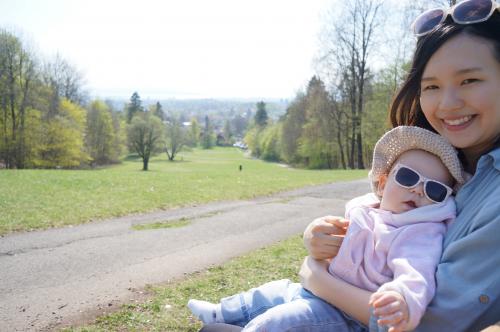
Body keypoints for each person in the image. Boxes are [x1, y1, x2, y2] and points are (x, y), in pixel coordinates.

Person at [300, 1, 500, 331]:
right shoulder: (442, 161)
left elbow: (436, 320)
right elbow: (384, 227)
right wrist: (323, 238)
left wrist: (317, 279)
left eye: (469, 81)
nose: (447, 104)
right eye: (432, 86)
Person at [190, 126, 465, 332]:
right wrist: (315, 231)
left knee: (278, 323)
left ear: (442, 202)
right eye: (408, 177)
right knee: (272, 291)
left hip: (343, 316)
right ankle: (222, 312)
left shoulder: (419, 232)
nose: (418, 189)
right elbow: (329, 239)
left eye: (434, 190)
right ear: (382, 184)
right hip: (314, 291)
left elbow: (417, 273)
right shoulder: (367, 209)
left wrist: (401, 298)